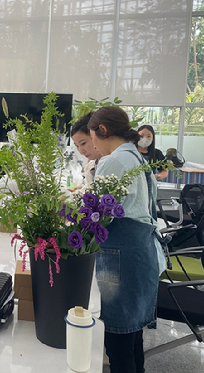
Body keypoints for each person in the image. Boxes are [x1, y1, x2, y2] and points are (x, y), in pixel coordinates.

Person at [87, 106, 159, 373]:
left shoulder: (114, 161)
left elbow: (94, 213)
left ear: (102, 130)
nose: (93, 144)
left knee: (117, 341)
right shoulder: (136, 157)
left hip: (119, 258)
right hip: (138, 254)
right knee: (132, 336)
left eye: (92, 137)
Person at [70, 112, 102, 185]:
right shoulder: (91, 166)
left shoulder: (110, 163)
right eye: (77, 146)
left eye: (83, 143)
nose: (81, 151)